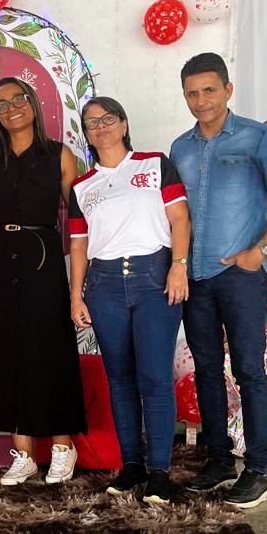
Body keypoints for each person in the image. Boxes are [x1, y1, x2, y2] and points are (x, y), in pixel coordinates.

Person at [169, 52, 267, 509]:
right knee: (207, 370)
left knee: (248, 370)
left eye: (209, 90)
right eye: (192, 93)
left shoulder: (258, 137)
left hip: (240, 277)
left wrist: (259, 252)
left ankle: (258, 470)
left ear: (228, 90)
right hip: (196, 278)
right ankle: (219, 460)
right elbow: (176, 212)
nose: (201, 100)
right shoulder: (180, 148)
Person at [68, 97, 190, 506]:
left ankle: (160, 472)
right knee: (119, 378)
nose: (100, 127)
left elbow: (179, 218)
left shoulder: (154, 164)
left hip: (154, 277)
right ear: (87, 134)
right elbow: (79, 245)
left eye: (107, 119)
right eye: (91, 122)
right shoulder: (82, 187)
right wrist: (76, 294)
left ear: (123, 124)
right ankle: (132, 465)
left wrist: (178, 266)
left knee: (154, 377)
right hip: (103, 285)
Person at [0, 77, 85, 486]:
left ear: (33, 103)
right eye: (1, 104)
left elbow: (78, 220)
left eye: (18, 99)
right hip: (0, 260)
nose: (11, 108)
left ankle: (62, 447)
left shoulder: (59, 155)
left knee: (49, 348)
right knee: (6, 352)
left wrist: (79, 275)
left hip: (42, 259)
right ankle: (23, 453)